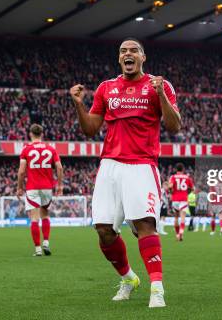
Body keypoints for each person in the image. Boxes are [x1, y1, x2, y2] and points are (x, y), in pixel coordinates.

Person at [70, 37, 181, 308]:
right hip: (109, 165)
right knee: (104, 230)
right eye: (123, 51)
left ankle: (157, 287)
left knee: (144, 225)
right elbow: (90, 129)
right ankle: (129, 278)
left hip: (141, 165)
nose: (128, 54)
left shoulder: (160, 85)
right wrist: (77, 104)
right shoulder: (106, 88)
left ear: (143, 57)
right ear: (119, 59)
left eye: (133, 50)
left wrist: (161, 96)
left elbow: (174, 126)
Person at [17, 123, 64, 256]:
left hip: (32, 187)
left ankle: (38, 249)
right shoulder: (51, 149)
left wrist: (19, 187)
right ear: (42, 134)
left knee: (34, 218)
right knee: (45, 214)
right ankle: (46, 242)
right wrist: (60, 185)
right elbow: (59, 168)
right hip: (47, 187)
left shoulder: (26, 150)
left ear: (30, 134)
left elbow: (21, 172)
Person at [168, 163, 194, 241]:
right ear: (183, 169)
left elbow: (170, 186)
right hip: (183, 199)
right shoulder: (187, 177)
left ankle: (177, 234)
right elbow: (192, 188)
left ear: (176, 169)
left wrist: (171, 192)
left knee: (176, 218)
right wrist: (187, 192)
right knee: (182, 218)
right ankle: (180, 233)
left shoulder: (173, 177)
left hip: (175, 199)